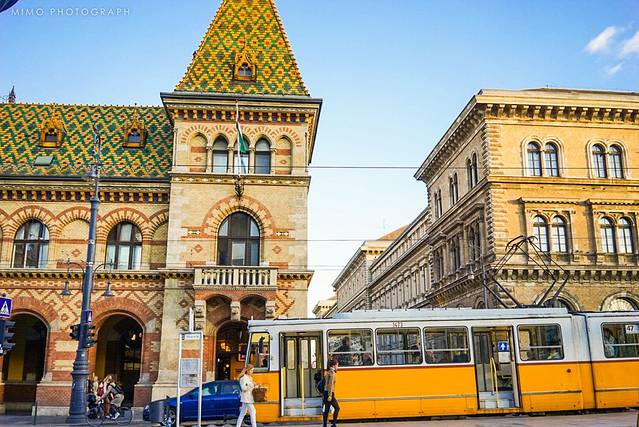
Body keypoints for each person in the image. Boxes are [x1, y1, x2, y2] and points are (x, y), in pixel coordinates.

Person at [323, 359, 340, 427]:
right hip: (330, 393)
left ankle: (325, 425)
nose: (337, 367)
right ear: (333, 365)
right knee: (337, 408)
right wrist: (330, 395)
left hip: (325, 392)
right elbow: (331, 385)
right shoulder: (332, 373)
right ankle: (334, 424)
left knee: (327, 409)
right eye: (337, 365)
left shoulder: (328, 372)